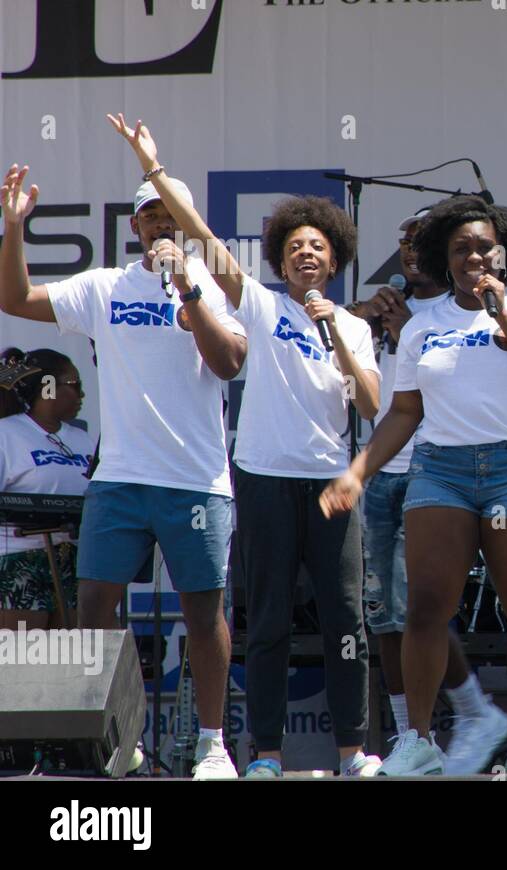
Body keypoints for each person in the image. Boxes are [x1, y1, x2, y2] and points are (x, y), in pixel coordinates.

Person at [108, 114, 385, 778]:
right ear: (280, 259)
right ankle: (264, 754)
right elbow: (200, 235)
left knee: (346, 620)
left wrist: (337, 333)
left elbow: (371, 405)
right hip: (261, 479)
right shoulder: (258, 304)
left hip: (330, 486)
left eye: (317, 247)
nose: (306, 254)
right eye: (295, 247)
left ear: (335, 258)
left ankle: (353, 751)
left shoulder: (351, 324)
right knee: (266, 622)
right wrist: (153, 166)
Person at [321, 195, 507, 776]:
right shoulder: (424, 327)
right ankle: (418, 742)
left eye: (484, 247)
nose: (474, 256)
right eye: (461, 248)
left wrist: (503, 316)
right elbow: (403, 413)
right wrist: (358, 471)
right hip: (441, 468)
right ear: (446, 260)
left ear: (504, 252)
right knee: (424, 606)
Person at [0, 161, 248, 780]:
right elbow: (14, 299)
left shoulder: (213, 284)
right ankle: (112, 741)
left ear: (187, 225)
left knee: (202, 611)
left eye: (170, 213)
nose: (159, 223)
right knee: (92, 607)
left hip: (194, 479)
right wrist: (12, 229)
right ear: (135, 223)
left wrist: (188, 288)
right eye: (149, 213)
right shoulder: (103, 286)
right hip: (119, 477)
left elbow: (229, 363)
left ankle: (212, 744)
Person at [352, 209, 507, 775]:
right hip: (383, 471)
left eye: (421, 241)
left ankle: (474, 712)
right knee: (387, 616)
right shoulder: (384, 305)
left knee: (420, 606)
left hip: (434, 470)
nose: (411, 250)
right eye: (403, 240)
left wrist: (400, 330)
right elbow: (370, 395)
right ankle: (411, 738)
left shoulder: (463, 309)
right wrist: (370, 321)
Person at [0, 349, 92, 630]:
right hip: (20, 557)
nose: (82, 395)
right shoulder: (6, 433)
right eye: (74, 385)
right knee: (23, 660)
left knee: (71, 659)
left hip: (75, 559)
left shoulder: (82, 438)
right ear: (48, 387)